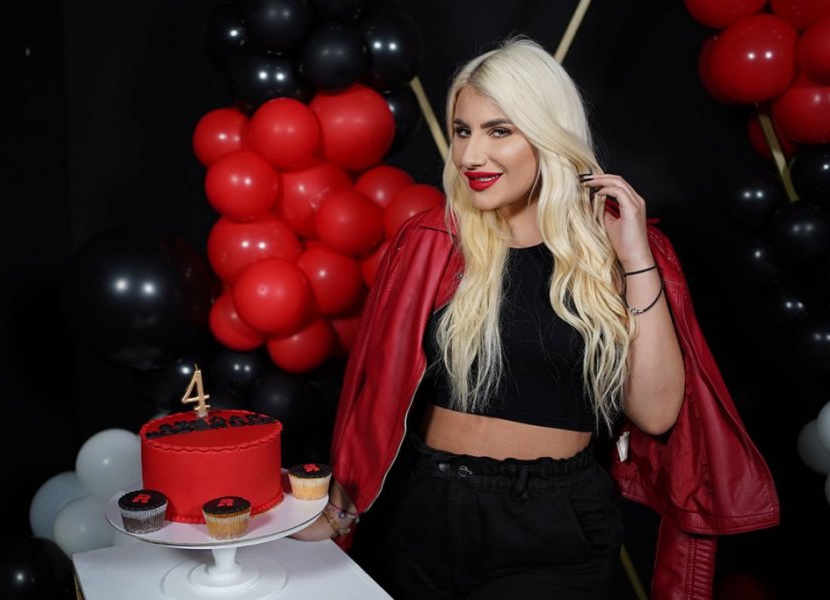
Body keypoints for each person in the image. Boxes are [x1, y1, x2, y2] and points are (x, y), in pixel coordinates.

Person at [292, 36, 779, 599]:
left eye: (499, 131)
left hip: (550, 527)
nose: (471, 155)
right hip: (420, 507)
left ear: (548, 134)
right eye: (462, 131)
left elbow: (657, 412)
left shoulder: (616, 255)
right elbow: (372, 390)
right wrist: (343, 505)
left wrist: (636, 258)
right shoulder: (430, 240)